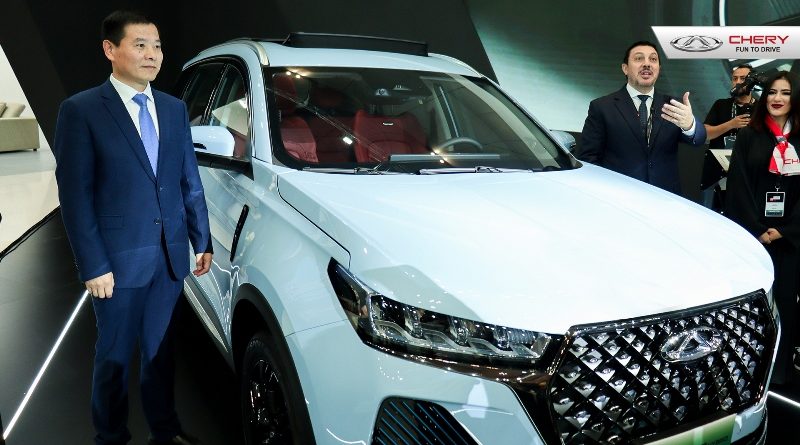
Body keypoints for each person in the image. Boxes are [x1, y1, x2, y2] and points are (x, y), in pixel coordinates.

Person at [52, 11, 211, 445]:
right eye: (140, 45)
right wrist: (93, 265)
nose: (152, 54)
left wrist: (201, 239)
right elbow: (76, 196)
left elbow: (189, 180)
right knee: (115, 357)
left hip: (169, 256)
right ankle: (111, 437)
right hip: (117, 263)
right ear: (110, 49)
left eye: (157, 46)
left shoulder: (175, 109)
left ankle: (165, 431)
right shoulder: (82, 110)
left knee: (161, 353)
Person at [726, 71, 800, 387]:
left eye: (785, 93)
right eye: (772, 92)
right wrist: (757, 228)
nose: (777, 98)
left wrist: (786, 230)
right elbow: (737, 185)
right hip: (754, 237)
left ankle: (779, 374)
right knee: (751, 306)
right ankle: (746, 374)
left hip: (790, 238)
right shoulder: (749, 136)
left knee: (785, 303)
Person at [577, 41, 707, 195]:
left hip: (665, 197)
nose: (647, 64)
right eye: (639, 58)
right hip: (618, 196)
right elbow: (588, 157)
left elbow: (699, 139)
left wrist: (690, 125)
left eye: (653, 59)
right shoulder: (602, 107)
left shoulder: (673, 105)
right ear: (625, 68)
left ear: (659, 69)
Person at [704, 63, 755, 150]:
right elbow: (705, 134)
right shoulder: (720, 104)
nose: (738, 82)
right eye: (735, 79)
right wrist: (730, 124)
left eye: (743, 78)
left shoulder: (761, 107)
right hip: (718, 157)